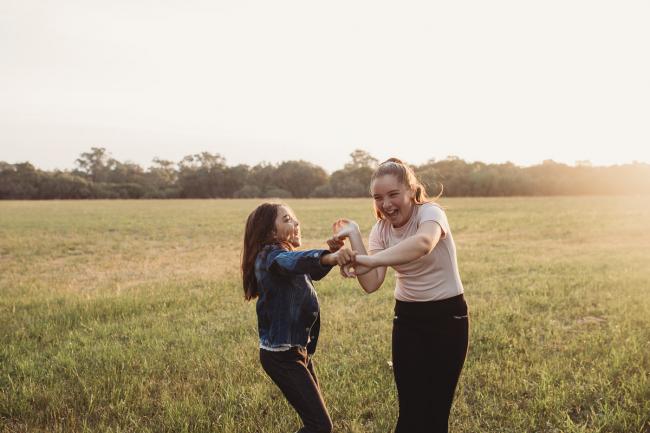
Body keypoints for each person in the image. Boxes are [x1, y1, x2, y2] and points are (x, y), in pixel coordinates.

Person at [329, 158, 469, 433]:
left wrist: (368, 260)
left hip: (448, 318)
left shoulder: (430, 213)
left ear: (411, 191)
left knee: (436, 411)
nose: (386, 204)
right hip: (407, 320)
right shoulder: (380, 230)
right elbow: (371, 283)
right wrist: (355, 236)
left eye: (393, 194)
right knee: (411, 411)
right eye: (378, 198)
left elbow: (423, 243)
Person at [241, 202, 356, 433]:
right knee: (320, 426)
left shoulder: (282, 256)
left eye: (293, 218)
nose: (296, 223)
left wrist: (331, 255)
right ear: (270, 232)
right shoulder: (271, 257)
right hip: (282, 356)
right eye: (287, 220)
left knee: (317, 422)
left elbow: (310, 269)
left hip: (296, 351)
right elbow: (295, 261)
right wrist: (330, 257)